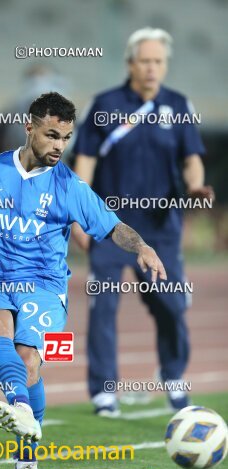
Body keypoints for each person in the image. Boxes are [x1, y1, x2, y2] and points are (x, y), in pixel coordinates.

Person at [0, 92, 166, 469]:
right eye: (52, 135)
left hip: (46, 287)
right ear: (29, 127)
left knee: (29, 361)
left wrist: (143, 246)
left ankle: (26, 465)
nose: (59, 147)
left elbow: (113, 225)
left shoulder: (69, 187)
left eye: (65, 139)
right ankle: (20, 411)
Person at [72, 28, 215, 418]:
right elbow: (83, 165)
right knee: (103, 305)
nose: (153, 68)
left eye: (159, 62)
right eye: (146, 61)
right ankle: (103, 392)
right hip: (109, 225)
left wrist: (195, 185)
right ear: (130, 64)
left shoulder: (179, 105)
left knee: (170, 305)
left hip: (161, 228)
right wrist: (77, 218)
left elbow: (191, 159)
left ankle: (173, 378)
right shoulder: (104, 104)